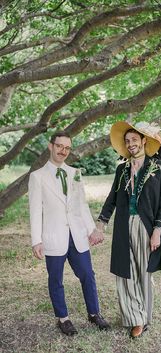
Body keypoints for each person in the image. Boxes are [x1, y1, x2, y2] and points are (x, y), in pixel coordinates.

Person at [28, 131, 109, 336]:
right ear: (50, 146)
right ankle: (63, 318)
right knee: (56, 279)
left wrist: (92, 230)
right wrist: (36, 240)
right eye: (59, 146)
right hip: (54, 236)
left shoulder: (75, 173)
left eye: (67, 147)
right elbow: (36, 211)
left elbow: (81, 205)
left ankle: (94, 313)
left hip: (78, 236)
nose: (63, 151)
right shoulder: (37, 177)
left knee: (87, 275)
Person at [97, 121, 161, 338]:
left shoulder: (159, 168)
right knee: (124, 272)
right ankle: (134, 318)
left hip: (146, 226)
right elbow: (111, 199)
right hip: (123, 225)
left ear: (143, 141)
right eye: (127, 141)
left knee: (143, 273)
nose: (130, 144)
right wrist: (100, 225)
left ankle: (144, 317)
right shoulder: (122, 169)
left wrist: (158, 230)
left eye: (134, 140)